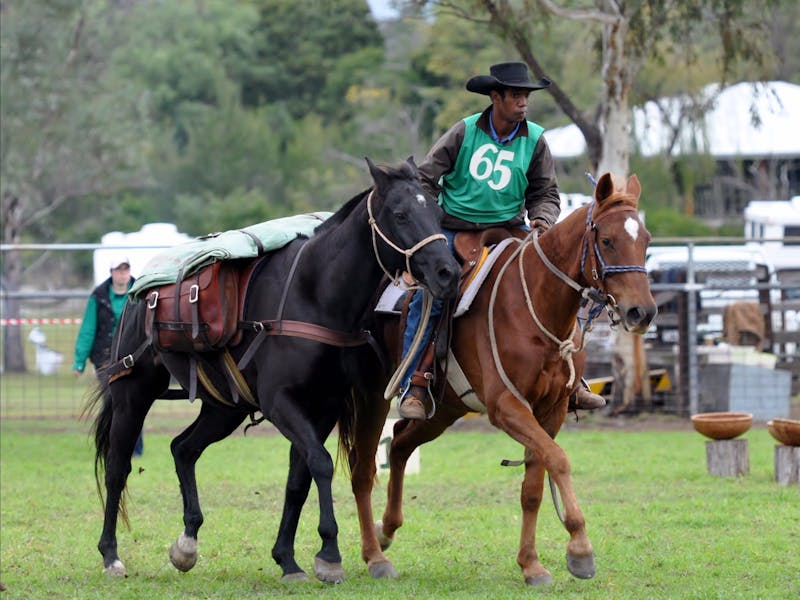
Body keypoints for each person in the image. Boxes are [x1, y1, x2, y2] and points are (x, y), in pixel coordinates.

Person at [397, 61, 606, 420]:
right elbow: (424, 180)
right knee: (431, 295)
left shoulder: (536, 138)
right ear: (496, 97)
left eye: (526, 96)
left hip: (511, 229)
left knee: (559, 286)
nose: (523, 102)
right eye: (516, 96)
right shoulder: (463, 132)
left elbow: (545, 192)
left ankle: (572, 380)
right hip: (454, 229)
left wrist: (541, 220)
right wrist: (429, 228)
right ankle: (414, 381)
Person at [73, 255, 143, 455]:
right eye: (118, 270)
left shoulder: (140, 292)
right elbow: (88, 329)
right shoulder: (99, 297)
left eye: (126, 269)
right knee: (112, 400)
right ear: (111, 272)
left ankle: (136, 448)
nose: (123, 274)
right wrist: (79, 361)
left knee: (136, 399)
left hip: (134, 355)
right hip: (105, 357)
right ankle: (113, 445)